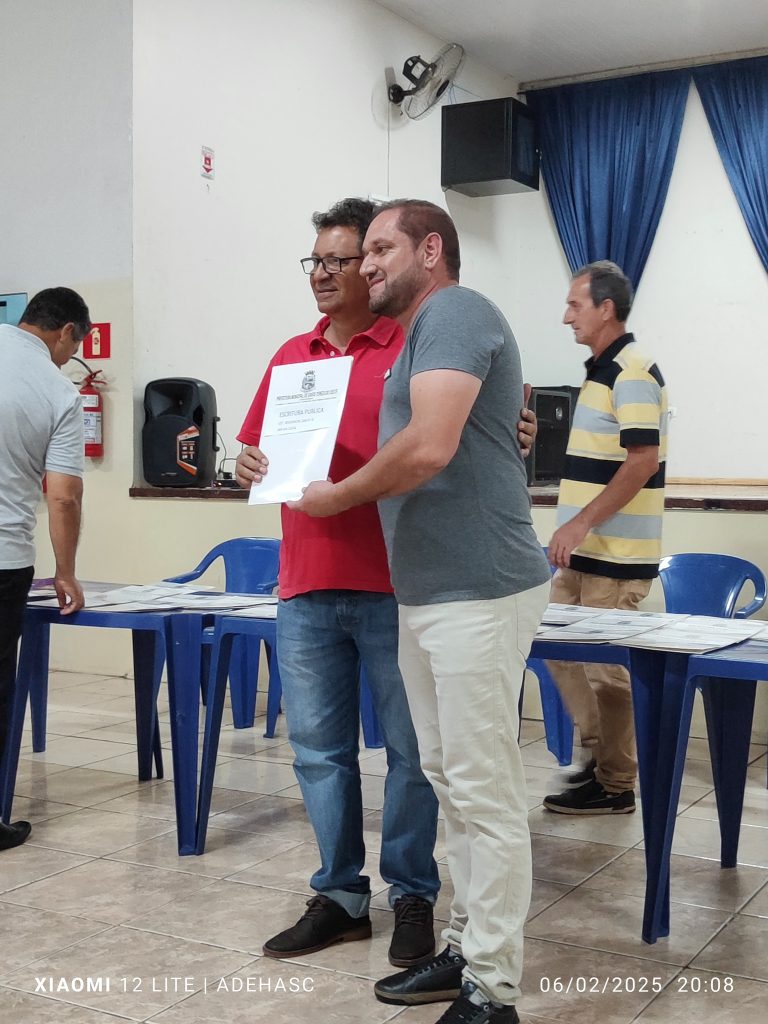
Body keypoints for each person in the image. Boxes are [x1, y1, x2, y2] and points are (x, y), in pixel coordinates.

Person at [235, 198, 537, 973]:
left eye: (356, 256)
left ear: (421, 252)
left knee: (430, 765)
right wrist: (249, 464)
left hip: (404, 582)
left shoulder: (422, 333)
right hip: (317, 580)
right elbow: (258, 452)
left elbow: (446, 436)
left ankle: (423, 906)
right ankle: (347, 898)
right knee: (331, 753)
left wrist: (513, 427)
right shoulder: (296, 355)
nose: (338, 272)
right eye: (324, 261)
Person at [543, 260, 667, 816]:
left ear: (606, 308)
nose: (566, 316)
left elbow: (642, 461)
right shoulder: (600, 373)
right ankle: (600, 760)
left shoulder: (632, 371)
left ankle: (616, 785)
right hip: (582, 554)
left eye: (575, 305)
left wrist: (580, 522)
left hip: (616, 558)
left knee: (604, 671)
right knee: (557, 653)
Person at [0, 287, 88, 851]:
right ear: (67, 333)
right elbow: (63, 496)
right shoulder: (58, 392)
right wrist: (65, 571)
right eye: (72, 349)